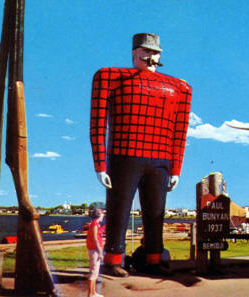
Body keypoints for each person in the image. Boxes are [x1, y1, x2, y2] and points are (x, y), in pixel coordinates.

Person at [90, 33, 192, 277]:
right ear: (134, 52)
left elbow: (180, 132)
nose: (150, 56)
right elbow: (97, 122)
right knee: (119, 209)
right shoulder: (110, 77)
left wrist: (176, 169)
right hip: (124, 156)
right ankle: (114, 260)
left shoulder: (180, 88)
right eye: (145, 51)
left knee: (156, 212)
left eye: (155, 52)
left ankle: (154, 259)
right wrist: (100, 165)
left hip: (161, 160)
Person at [86, 208, 105, 297]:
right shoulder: (94, 224)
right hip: (94, 250)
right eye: (102, 214)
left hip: (95, 250)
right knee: (93, 271)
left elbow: (98, 233)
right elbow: (95, 239)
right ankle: (90, 294)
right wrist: (100, 252)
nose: (103, 216)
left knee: (95, 272)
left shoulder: (96, 224)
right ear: (99, 215)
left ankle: (93, 292)